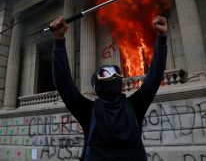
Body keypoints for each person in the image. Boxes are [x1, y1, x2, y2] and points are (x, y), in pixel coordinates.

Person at [50, 15, 167, 161]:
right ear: (96, 85)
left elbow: (154, 77)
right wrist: (58, 41)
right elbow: (64, 85)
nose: (113, 76)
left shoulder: (133, 106)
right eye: (105, 73)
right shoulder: (91, 111)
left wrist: (161, 38)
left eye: (116, 72)